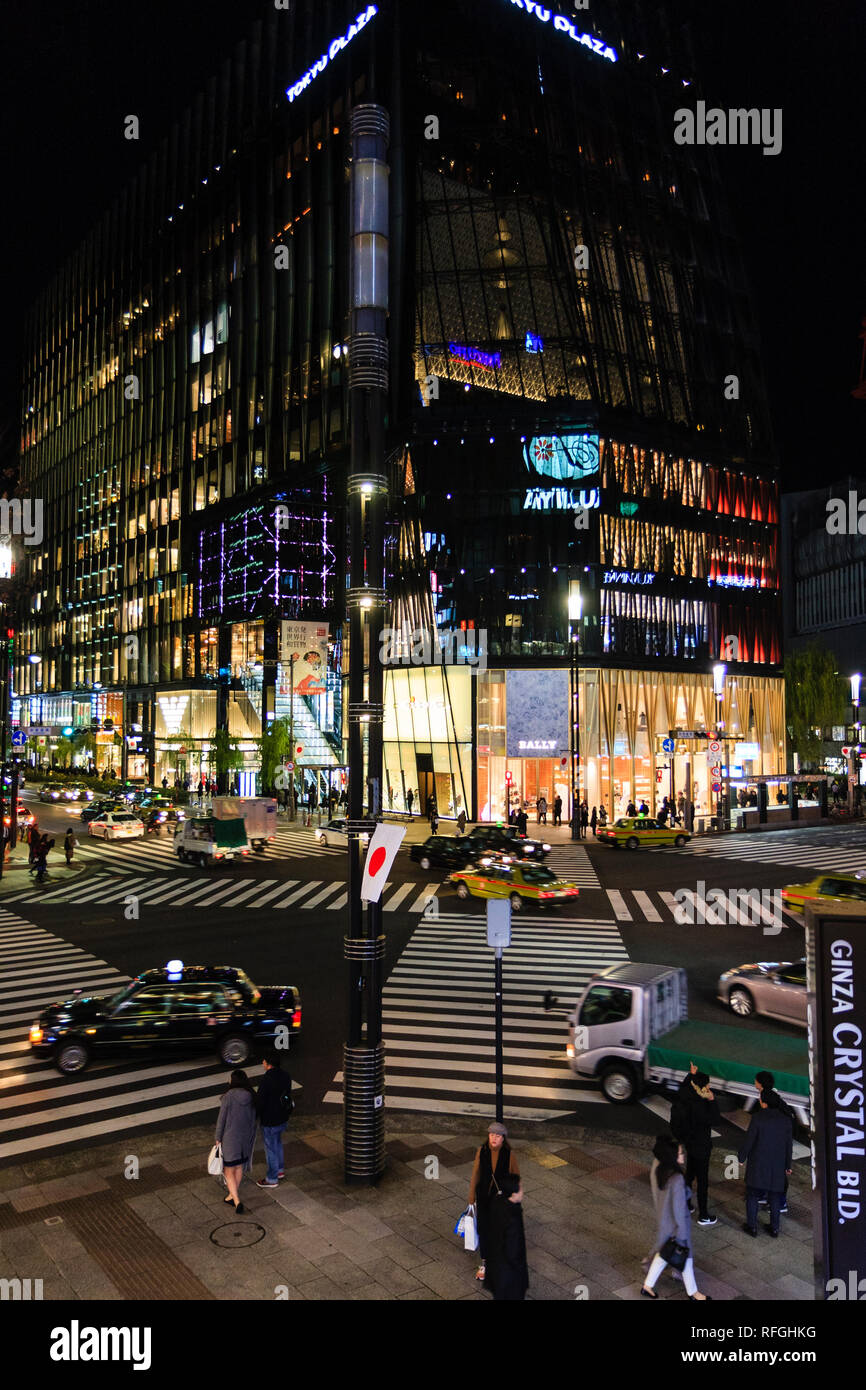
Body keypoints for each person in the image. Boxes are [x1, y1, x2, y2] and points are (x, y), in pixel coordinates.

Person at [641, 1135, 710, 1300]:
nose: (683, 1155)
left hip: (666, 1222)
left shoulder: (662, 1171)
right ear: (672, 1156)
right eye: (680, 1153)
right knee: (686, 1258)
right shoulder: (677, 1179)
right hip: (676, 1226)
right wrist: (683, 1235)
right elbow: (679, 1210)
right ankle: (694, 1293)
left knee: (663, 1255)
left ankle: (647, 1286)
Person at [467, 1121, 528, 1300]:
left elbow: (516, 1177)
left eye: (498, 1135)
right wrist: (471, 1197)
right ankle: (485, 1263)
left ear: (503, 1138)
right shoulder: (482, 1151)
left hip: (501, 1202)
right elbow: (476, 1173)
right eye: (492, 1135)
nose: (494, 1138)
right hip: (484, 1199)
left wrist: (516, 1198)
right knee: (484, 1231)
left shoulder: (509, 1155)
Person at [670, 1064, 720, 1226]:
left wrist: (690, 1075)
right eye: (707, 1084)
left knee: (690, 1175)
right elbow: (715, 1120)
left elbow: (684, 1087)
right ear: (702, 1087)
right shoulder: (701, 1105)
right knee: (702, 1181)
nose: (709, 1087)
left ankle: (686, 1204)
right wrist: (712, 1100)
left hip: (689, 1143)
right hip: (701, 1146)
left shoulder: (687, 1096)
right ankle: (703, 1215)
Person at [739, 1088, 793, 1236]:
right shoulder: (786, 1120)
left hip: (758, 1163)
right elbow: (789, 1146)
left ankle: (752, 1227)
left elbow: (749, 1140)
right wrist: (788, 1165)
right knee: (775, 1196)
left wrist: (742, 1157)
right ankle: (774, 1228)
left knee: (752, 1194)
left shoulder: (758, 1118)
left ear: (764, 1103)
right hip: (777, 1164)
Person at [214, 1070, 258, 1214]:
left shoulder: (228, 1097)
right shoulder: (251, 1096)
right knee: (239, 1167)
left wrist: (218, 1137)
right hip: (245, 1138)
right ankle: (231, 1196)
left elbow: (222, 1120)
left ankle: (237, 1201)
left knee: (228, 1170)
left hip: (230, 1138)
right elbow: (253, 1120)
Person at [754, 1070, 792, 1214]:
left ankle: (779, 1203)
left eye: (756, 1080)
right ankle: (767, 1196)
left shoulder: (767, 1097)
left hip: (776, 1142)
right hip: (777, 1140)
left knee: (776, 1173)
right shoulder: (770, 1095)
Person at [255, 1050, 294, 1188]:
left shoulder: (267, 1079)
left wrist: (255, 1116)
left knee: (270, 1148)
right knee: (277, 1143)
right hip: (282, 1117)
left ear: (268, 1063)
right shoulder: (285, 1075)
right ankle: (280, 1170)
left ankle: (272, 1179)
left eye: (264, 1061)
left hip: (270, 1119)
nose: (262, 1063)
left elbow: (260, 1101)